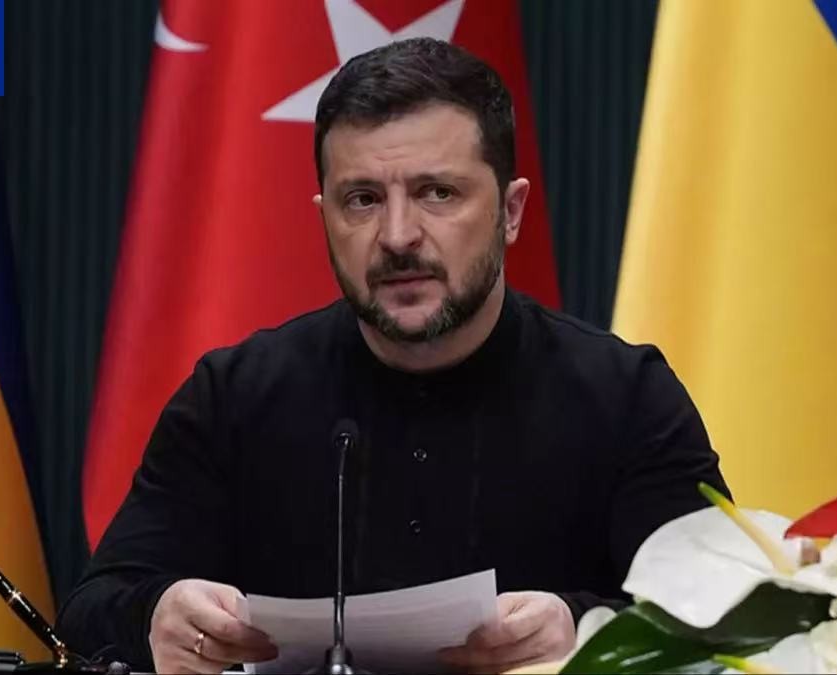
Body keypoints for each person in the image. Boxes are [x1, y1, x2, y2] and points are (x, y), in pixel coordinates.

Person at [57, 37, 730, 674]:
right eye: (363, 200)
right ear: (324, 216)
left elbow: (733, 626)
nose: (398, 236)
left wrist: (584, 632)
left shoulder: (625, 395)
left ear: (511, 211)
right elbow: (88, 614)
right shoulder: (234, 395)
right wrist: (159, 614)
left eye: (438, 193)